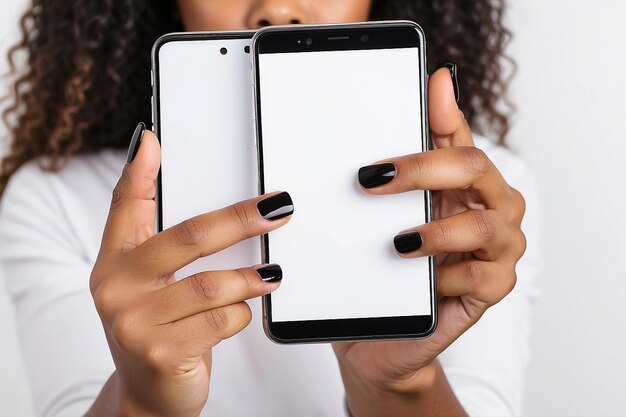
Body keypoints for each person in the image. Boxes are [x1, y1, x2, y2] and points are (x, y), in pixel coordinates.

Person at [0, 1, 538, 416]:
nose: (278, 9)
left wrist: (398, 385)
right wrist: (140, 401)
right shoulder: (56, 196)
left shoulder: (474, 195)